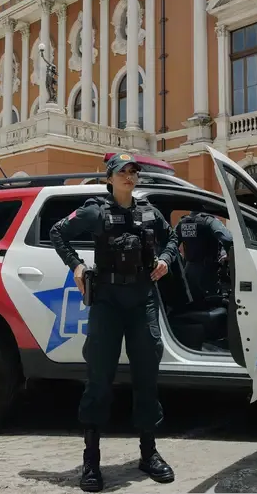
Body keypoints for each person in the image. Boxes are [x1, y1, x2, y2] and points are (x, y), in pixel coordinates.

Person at [50, 153, 180, 492]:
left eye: (134, 171)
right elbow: (57, 233)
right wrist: (76, 266)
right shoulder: (95, 210)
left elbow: (173, 239)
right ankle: (91, 461)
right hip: (107, 302)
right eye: (122, 171)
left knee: (147, 376)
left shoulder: (149, 212)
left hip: (142, 300)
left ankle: (148, 454)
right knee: (99, 378)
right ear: (109, 178)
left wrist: (166, 259)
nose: (129, 176)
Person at [176, 210, 233, 304]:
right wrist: (228, 256)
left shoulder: (182, 222)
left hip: (188, 270)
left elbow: (172, 244)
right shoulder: (209, 220)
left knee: (192, 302)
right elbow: (227, 239)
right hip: (208, 271)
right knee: (211, 303)